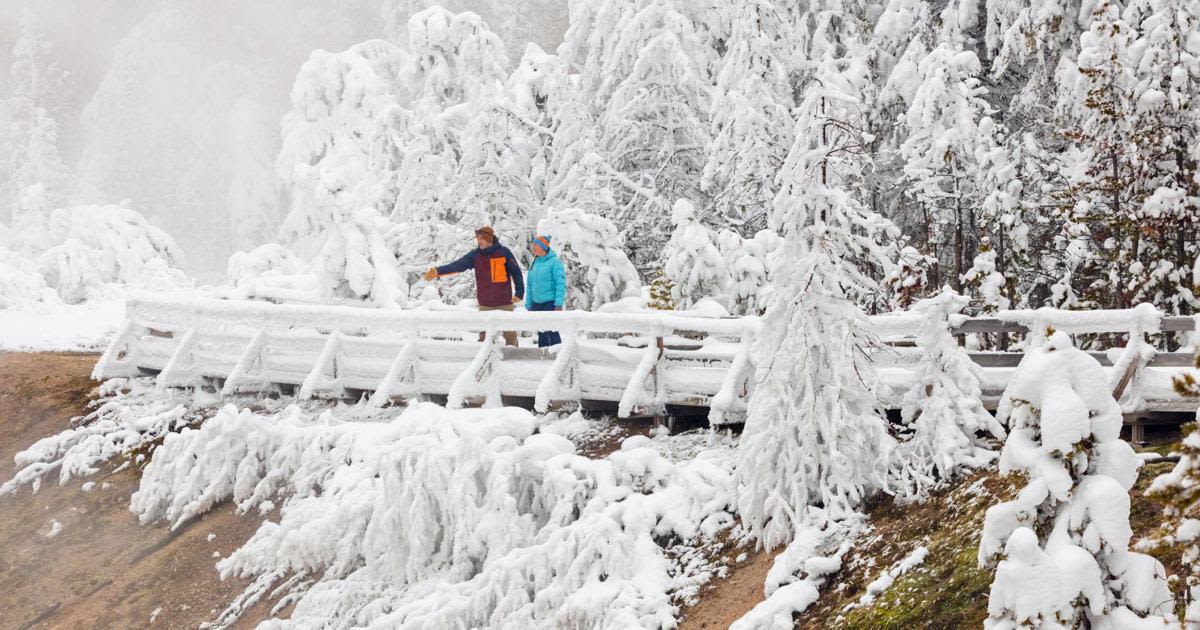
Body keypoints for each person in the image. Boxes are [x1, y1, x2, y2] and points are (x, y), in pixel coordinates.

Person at [423, 226, 524, 346]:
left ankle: (512, 361)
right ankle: (485, 363)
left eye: (482, 239)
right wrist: (437, 271)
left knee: (510, 336)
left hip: (504, 303)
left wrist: (519, 293)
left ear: (489, 239)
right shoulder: (475, 256)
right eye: (478, 239)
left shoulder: (504, 252)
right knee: (484, 339)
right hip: (485, 304)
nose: (479, 241)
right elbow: (457, 265)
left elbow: (516, 272)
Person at [525, 235, 566, 347]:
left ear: (543, 247)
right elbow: (529, 285)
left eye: (536, 245)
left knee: (551, 330)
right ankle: (542, 357)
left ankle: (558, 355)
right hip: (536, 303)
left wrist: (558, 304)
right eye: (533, 245)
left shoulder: (554, 262)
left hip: (550, 302)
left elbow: (560, 284)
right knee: (541, 332)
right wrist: (529, 303)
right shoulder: (535, 262)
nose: (533, 248)